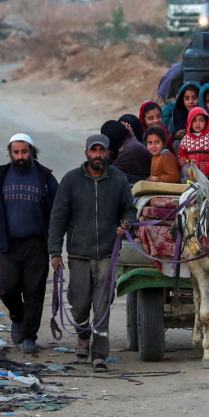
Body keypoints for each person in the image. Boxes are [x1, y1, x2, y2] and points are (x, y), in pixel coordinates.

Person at [48, 134, 137, 372]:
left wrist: (127, 224)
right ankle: (83, 335)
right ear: (86, 153)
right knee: (78, 305)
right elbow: (58, 217)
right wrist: (55, 252)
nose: (98, 155)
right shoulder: (71, 180)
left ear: (108, 153)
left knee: (102, 305)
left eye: (102, 151)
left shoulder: (118, 179)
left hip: (107, 253)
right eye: (94, 150)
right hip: (78, 254)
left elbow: (129, 210)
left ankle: (99, 354)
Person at [0, 133, 59, 354]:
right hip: (7, 244)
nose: (20, 156)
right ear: (11, 153)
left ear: (32, 152)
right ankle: (17, 317)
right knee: (6, 288)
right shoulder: (1, 177)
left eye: (24, 152)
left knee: (34, 292)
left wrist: (55, 247)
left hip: (36, 244)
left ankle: (29, 336)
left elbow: (59, 212)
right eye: (16, 152)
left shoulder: (45, 178)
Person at [177, 107, 209, 178]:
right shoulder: (185, 140)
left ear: (206, 122)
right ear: (190, 122)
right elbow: (182, 155)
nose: (198, 123)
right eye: (194, 120)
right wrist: (183, 160)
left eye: (201, 120)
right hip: (192, 175)